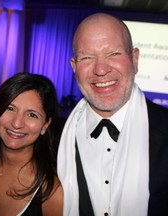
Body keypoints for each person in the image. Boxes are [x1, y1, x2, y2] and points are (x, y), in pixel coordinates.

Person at [57, 13, 168, 216]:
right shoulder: (54, 140)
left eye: (114, 54)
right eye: (87, 57)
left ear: (135, 59)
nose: (100, 69)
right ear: (74, 67)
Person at [0, 72, 63, 216]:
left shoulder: (53, 193)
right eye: (10, 108)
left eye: (32, 114)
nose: (16, 123)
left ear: (45, 125)